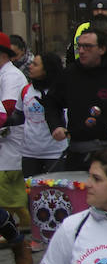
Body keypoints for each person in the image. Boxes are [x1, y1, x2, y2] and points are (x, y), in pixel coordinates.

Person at [46, 28, 107, 171]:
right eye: (79, 46)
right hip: (78, 152)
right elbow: (52, 103)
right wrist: (56, 126)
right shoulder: (69, 74)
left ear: (102, 49)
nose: (81, 51)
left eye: (87, 47)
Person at [0, 32, 28, 264]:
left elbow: (6, 110)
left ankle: (20, 239)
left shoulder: (10, 76)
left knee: (9, 196)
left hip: (9, 143)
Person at [20, 51, 68, 179]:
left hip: (55, 153)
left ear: (47, 69)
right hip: (29, 152)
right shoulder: (26, 90)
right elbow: (19, 115)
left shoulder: (62, 91)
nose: (30, 66)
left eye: (35, 65)